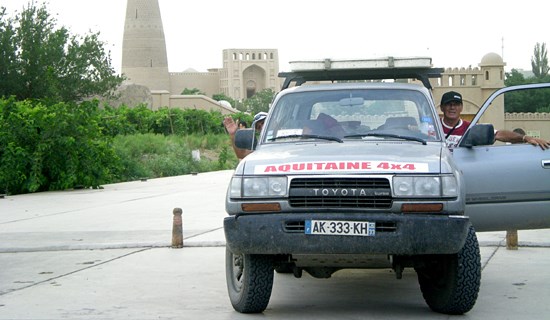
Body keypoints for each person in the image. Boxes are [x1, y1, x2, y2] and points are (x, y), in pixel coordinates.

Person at [440, 91, 550, 149]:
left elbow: (498, 134)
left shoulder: (471, 128)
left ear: (461, 108)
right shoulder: (432, 126)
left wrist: (526, 138)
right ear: (442, 108)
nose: (452, 107)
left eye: (456, 104)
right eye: (449, 104)